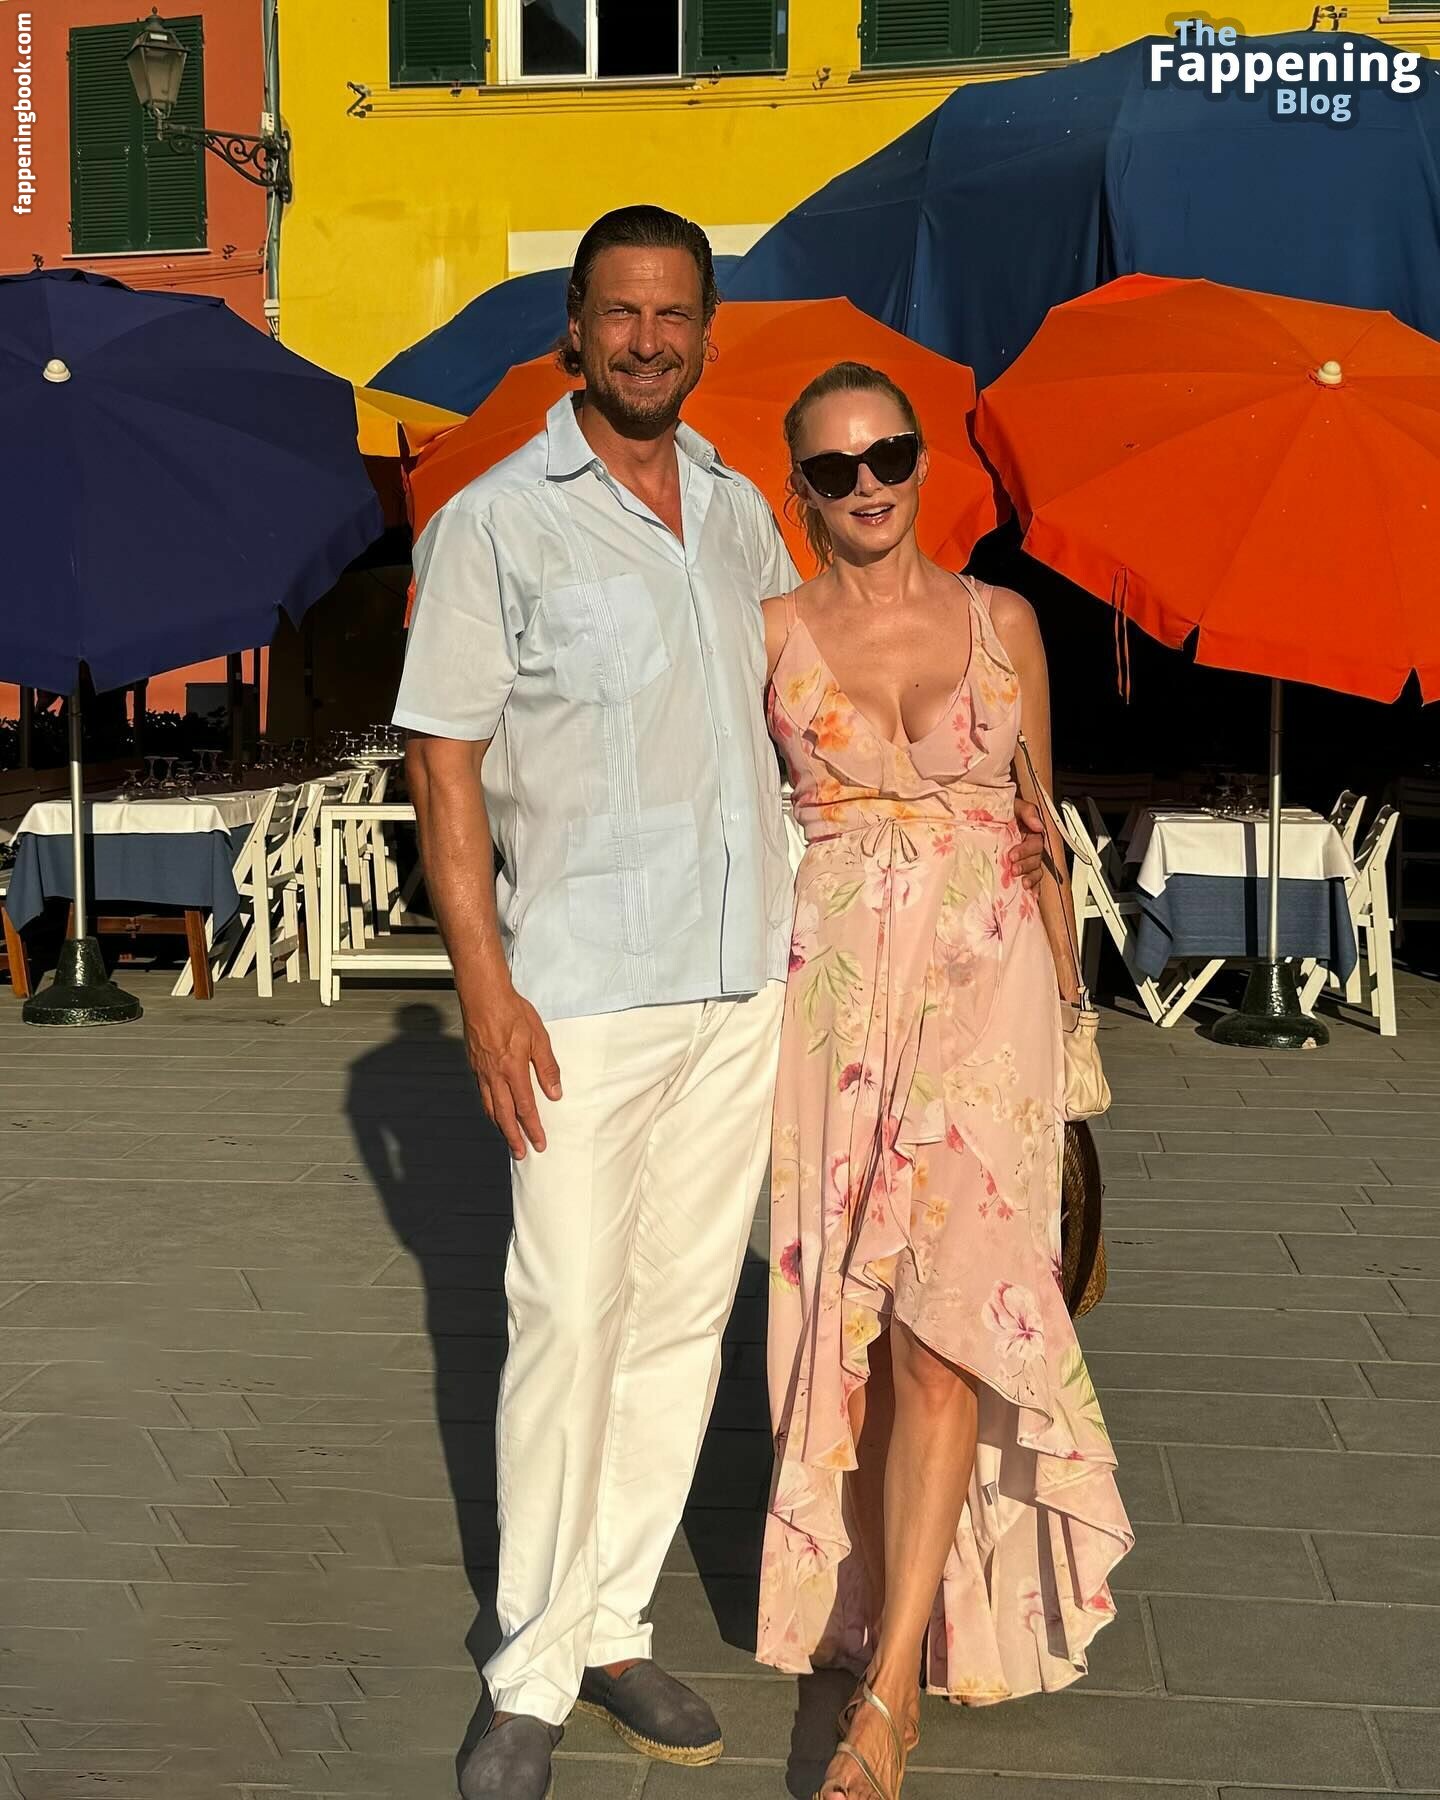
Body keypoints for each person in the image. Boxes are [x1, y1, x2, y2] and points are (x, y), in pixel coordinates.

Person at [394, 208, 1047, 1800]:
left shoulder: (744, 515)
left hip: (752, 982)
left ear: (704, 331)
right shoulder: (492, 525)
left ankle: (615, 1623)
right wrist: (483, 986)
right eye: (618, 313)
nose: (645, 339)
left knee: (686, 1318)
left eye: (673, 313)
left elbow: (813, 702)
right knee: (566, 1313)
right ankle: (529, 1670)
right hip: (579, 990)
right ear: (574, 327)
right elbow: (443, 763)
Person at [756, 362, 1134, 1800]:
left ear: (922, 464)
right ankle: (892, 1636)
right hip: (836, 1009)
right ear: (801, 490)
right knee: (853, 1330)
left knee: (944, 1335)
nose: (867, 486)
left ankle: (889, 1697)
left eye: (889, 455)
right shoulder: (769, 633)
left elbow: (1040, 824)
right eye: (834, 468)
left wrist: (1073, 1020)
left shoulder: (1003, 621)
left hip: (990, 1003)